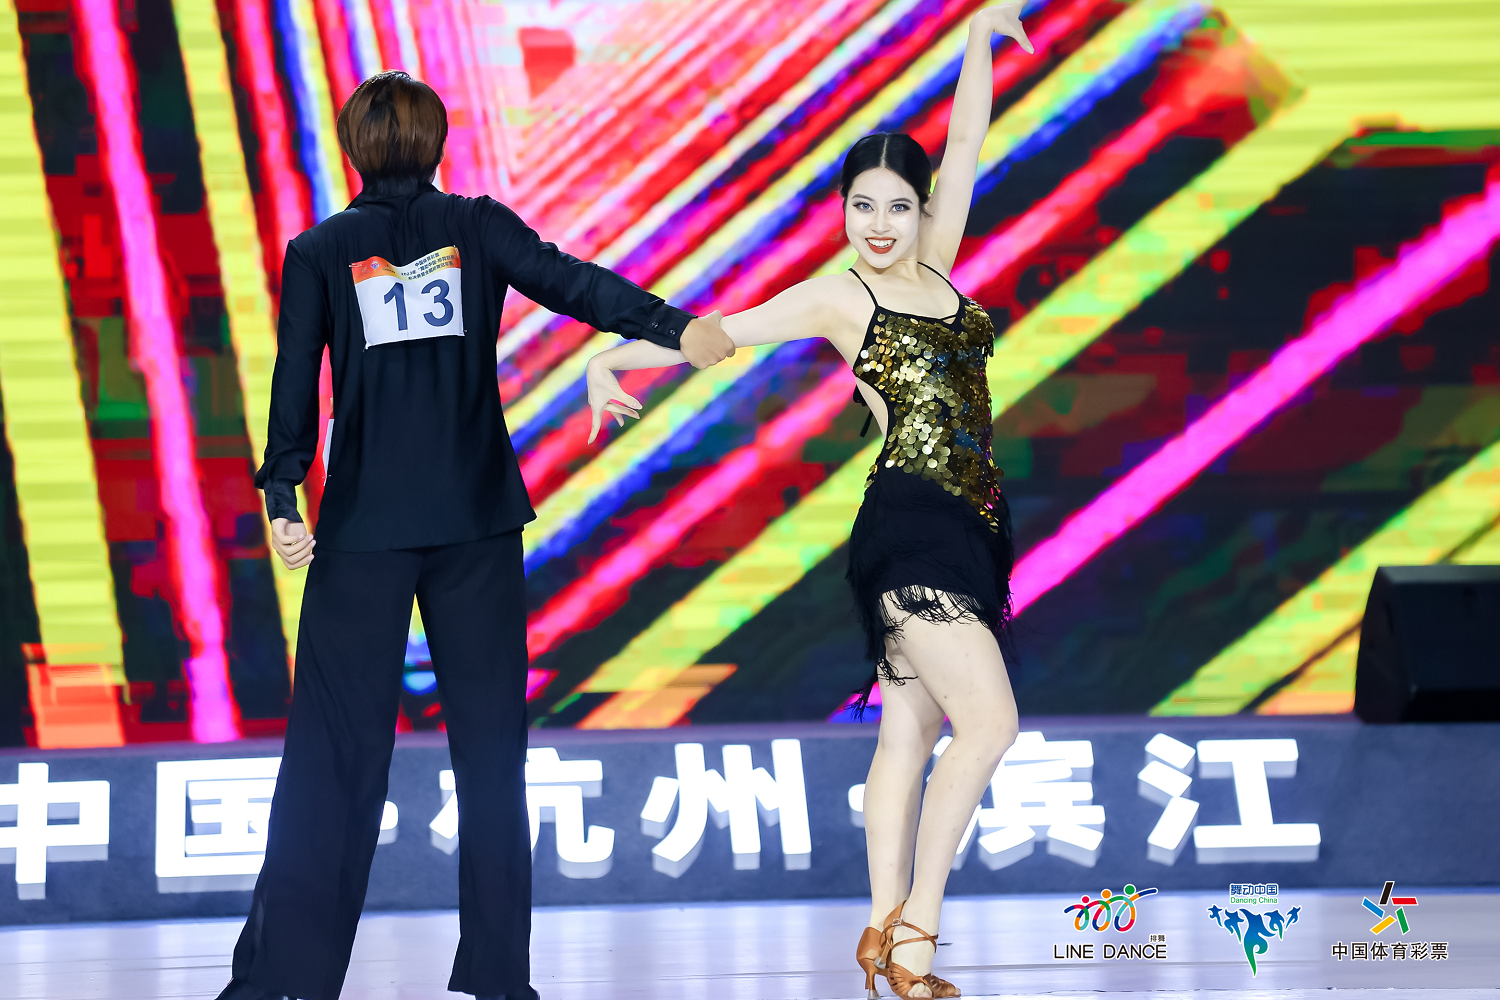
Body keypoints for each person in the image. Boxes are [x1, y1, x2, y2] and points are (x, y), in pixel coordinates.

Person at [219, 71, 734, 1000]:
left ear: (353, 146)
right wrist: (675, 326)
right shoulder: (478, 226)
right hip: (476, 520)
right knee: (493, 758)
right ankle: (500, 979)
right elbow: (573, 283)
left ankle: (285, 982)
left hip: (365, 530)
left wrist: (286, 500)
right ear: (438, 142)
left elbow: (294, 387)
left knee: (333, 759)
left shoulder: (320, 250)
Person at [583, 5, 1033, 997]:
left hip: (976, 529)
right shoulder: (838, 296)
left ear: (920, 212)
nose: (879, 225)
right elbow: (720, 333)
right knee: (989, 725)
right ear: (842, 211)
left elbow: (965, 143)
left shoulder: (938, 267)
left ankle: (878, 927)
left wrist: (975, 40)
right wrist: (612, 359)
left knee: (910, 732)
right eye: (862, 206)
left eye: (897, 207)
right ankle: (916, 934)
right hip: (907, 525)